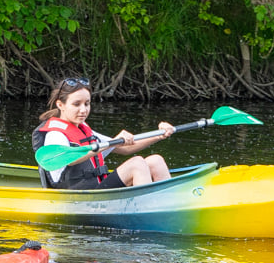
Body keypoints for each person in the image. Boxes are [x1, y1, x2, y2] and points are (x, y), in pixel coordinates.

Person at [32, 77, 175, 189]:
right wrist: (104, 146)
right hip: (77, 195)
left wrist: (159, 134)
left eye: (87, 104)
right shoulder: (56, 134)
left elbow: (125, 148)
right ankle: (148, 209)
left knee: (155, 160)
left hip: (97, 187)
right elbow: (69, 160)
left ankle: (170, 205)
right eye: (77, 104)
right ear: (60, 104)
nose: (83, 110)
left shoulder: (83, 128)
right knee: (137, 163)